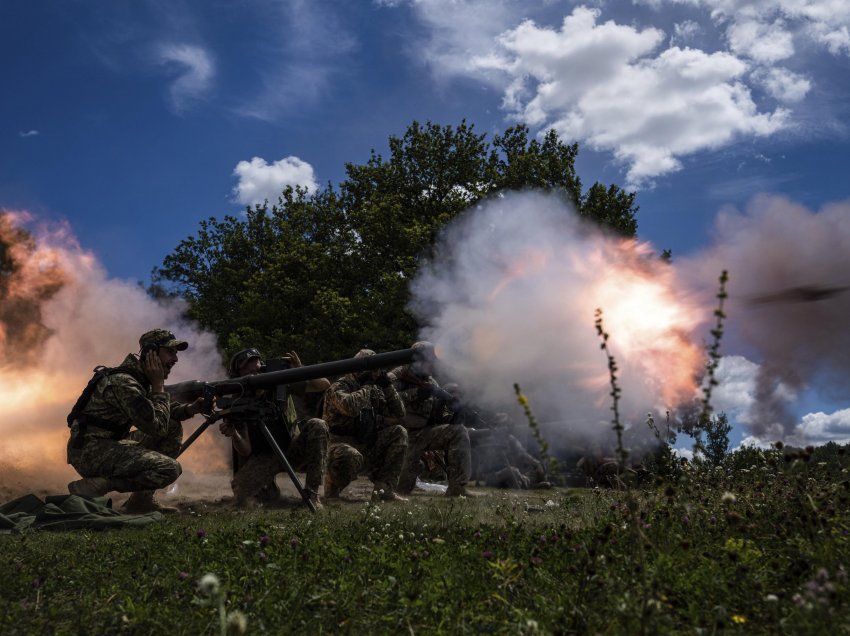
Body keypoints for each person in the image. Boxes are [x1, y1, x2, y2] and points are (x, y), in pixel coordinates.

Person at [66, 328, 206, 513]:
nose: (175, 359)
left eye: (176, 353)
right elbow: (157, 427)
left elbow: (165, 413)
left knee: (172, 425)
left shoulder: (139, 379)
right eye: (170, 352)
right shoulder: (125, 383)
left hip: (108, 443)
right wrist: (158, 386)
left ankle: (141, 501)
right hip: (90, 451)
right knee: (169, 469)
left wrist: (191, 409)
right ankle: (102, 484)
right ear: (151, 354)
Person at [219, 347, 328, 510]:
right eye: (248, 366)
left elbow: (323, 385)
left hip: (293, 449)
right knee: (242, 495)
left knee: (317, 425)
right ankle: (268, 490)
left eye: (257, 363)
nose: (256, 367)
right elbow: (245, 450)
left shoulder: (281, 385)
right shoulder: (237, 403)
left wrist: (301, 370)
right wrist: (234, 433)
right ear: (238, 374)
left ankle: (312, 494)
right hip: (265, 457)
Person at [322, 349, 409, 502]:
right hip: (339, 444)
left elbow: (399, 414)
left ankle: (384, 490)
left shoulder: (375, 389)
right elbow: (350, 408)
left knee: (398, 432)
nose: (376, 372)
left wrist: (388, 387)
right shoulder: (340, 386)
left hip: (366, 443)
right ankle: (332, 490)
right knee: (349, 455)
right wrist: (367, 385)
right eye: (373, 368)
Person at [389, 341, 474, 497]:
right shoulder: (396, 376)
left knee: (458, 431)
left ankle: (457, 487)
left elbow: (437, 417)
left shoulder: (430, 382)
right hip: (397, 435)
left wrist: (452, 410)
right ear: (417, 360)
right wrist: (416, 394)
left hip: (422, 434)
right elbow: (384, 401)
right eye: (429, 361)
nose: (432, 365)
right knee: (400, 489)